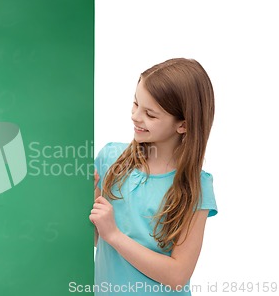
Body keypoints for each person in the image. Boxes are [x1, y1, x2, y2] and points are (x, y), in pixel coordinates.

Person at [90, 58, 218, 295]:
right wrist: (83, 200)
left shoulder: (196, 187)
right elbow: (95, 238)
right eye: (135, 104)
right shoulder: (110, 157)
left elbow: (178, 275)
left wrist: (114, 235)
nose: (136, 116)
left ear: (183, 125)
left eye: (150, 114)